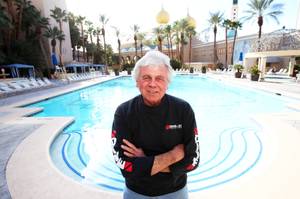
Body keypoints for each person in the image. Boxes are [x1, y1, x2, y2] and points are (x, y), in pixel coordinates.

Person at [111, 50, 200, 199]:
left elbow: (192, 161)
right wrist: (173, 155)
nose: (152, 84)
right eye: (146, 77)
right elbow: (126, 167)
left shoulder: (183, 110)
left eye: (159, 78)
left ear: (167, 83)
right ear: (137, 82)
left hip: (175, 192)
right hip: (136, 193)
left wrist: (144, 160)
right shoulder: (124, 113)